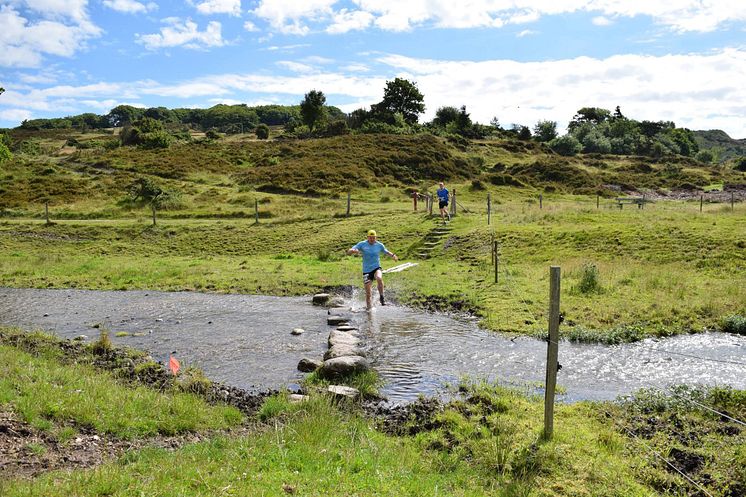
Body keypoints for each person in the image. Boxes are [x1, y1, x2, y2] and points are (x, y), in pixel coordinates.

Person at [346, 230, 398, 309]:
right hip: (366, 270)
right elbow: (349, 252)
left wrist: (393, 255)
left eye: (373, 238)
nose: (372, 239)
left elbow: (386, 251)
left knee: (379, 278)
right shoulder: (362, 244)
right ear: (367, 237)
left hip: (376, 267)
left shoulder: (379, 245)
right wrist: (352, 251)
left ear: (376, 238)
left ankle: (381, 297)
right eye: (370, 238)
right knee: (368, 293)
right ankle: (369, 311)